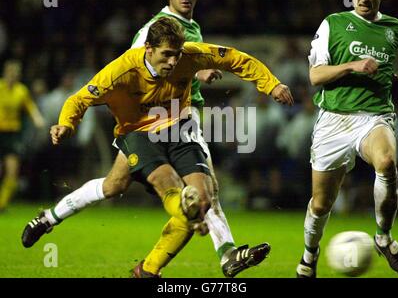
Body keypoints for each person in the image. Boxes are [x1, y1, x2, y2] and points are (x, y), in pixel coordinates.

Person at [21, 17, 294, 278]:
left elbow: (234, 58)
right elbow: (79, 99)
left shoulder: (189, 56)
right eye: (166, 54)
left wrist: (271, 84)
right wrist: (66, 124)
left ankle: (148, 270)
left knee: (199, 198)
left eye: (176, 54)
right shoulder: (121, 71)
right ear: (148, 49)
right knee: (168, 188)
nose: (173, 61)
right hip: (137, 132)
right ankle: (48, 218)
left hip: (178, 126)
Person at [131, 0, 271, 277]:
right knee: (203, 191)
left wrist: (197, 69)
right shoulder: (156, 28)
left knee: (114, 186)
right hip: (167, 116)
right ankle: (226, 254)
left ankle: (51, 218)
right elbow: (138, 69)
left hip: (179, 114)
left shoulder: (189, 27)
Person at [296, 0, 398, 278]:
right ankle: (309, 256)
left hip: (374, 117)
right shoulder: (334, 24)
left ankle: (383, 237)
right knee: (321, 204)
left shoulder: (394, 29)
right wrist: (352, 66)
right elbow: (315, 76)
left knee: (386, 162)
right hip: (334, 120)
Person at [0, 60, 45, 212]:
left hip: (12, 134)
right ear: (6, 73)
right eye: (11, 73)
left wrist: (38, 119)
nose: (13, 76)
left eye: (16, 73)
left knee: (12, 171)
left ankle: (2, 204)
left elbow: (30, 107)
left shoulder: (21, 90)